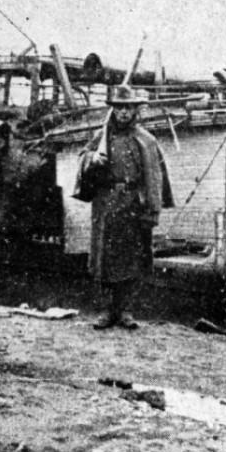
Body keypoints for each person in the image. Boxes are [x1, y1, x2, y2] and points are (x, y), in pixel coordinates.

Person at [75, 84, 173, 330]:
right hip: (106, 205)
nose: (123, 113)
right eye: (119, 108)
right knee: (105, 260)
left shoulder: (146, 140)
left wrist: (151, 207)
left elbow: (155, 174)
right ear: (114, 110)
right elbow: (82, 157)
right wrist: (92, 159)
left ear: (135, 110)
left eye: (128, 108)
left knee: (131, 259)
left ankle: (126, 311)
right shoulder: (102, 137)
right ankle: (108, 311)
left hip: (132, 205)